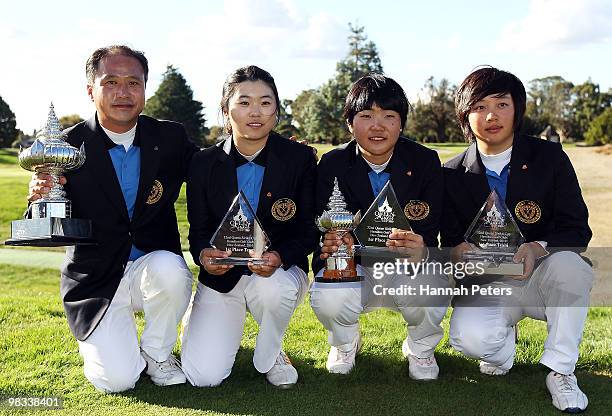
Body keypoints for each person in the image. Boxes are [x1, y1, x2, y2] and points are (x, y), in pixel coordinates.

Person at [28, 45, 198, 393]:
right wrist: (38, 195)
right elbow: (44, 218)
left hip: (152, 267)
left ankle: (157, 353)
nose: (124, 92)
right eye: (111, 82)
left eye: (134, 83)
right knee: (118, 381)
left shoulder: (170, 138)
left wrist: (278, 156)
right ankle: (112, 340)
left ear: (145, 89)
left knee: (171, 270)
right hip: (96, 278)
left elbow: (217, 171)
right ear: (91, 89)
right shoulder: (65, 146)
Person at [442, 66, 593, 413]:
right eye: (479, 107)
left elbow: (577, 229)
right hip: (491, 283)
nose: (491, 115)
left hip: (543, 279)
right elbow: (449, 237)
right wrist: (457, 250)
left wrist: (537, 247)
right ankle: (502, 344)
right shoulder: (450, 172)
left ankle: (561, 370)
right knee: (468, 339)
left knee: (571, 266)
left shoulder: (550, 158)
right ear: (465, 115)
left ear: (517, 109)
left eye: (501, 104)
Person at [181, 65, 318, 388]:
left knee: (271, 290)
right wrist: (204, 255)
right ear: (226, 110)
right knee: (204, 377)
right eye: (244, 102)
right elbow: (198, 229)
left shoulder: (299, 159)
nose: (255, 112)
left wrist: (279, 257)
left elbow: (309, 230)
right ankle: (197, 314)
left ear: (277, 110)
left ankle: (272, 352)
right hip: (223, 278)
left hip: (278, 273)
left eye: (265, 102)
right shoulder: (202, 163)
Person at [310, 73, 451, 379]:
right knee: (330, 291)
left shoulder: (425, 161)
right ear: (350, 123)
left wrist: (420, 249)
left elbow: (431, 230)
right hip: (355, 265)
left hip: (405, 267)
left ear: (401, 123)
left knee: (431, 282)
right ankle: (346, 343)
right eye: (366, 115)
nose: (378, 125)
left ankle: (420, 348)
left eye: (389, 116)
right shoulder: (332, 164)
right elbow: (322, 228)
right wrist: (334, 240)